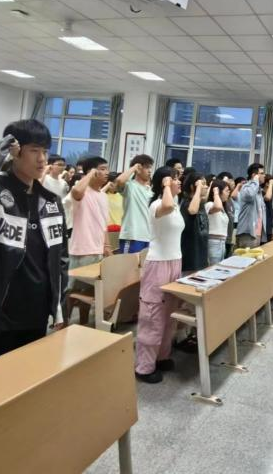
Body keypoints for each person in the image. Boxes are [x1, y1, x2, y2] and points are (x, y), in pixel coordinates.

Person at [0, 120, 68, 364]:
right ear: (16, 151)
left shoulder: (51, 202)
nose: (42, 159)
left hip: (38, 311)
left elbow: (60, 259)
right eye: (34, 150)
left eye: (45, 151)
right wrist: (3, 147)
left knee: (29, 377)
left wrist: (58, 306)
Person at [135, 166, 183, 384]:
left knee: (170, 313)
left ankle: (161, 356)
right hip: (158, 265)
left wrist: (169, 187)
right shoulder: (157, 204)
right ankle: (144, 367)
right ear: (165, 182)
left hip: (174, 262)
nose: (179, 182)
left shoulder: (176, 205)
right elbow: (167, 205)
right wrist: (165, 185)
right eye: (175, 179)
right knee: (153, 315)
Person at [68, 156, 111, 271]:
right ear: (91, 172)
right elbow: (76, 191)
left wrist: (107, 246)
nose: (107, 172)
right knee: (78, 283)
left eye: (107, 169)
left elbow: (103, 224)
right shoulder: (82, 191)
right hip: (83, 251)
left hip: (99, 250)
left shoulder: (103, 196)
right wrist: (91, 173)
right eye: (102, 169)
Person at [117, 154, 154, 254]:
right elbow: (119, 180)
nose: (150, 171)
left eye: (150, 168)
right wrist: (134, 168)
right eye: (147, 167)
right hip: (132, 236)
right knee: (129, 264)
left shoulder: (150, 191)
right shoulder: (130, 186)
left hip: (148, 237)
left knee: (144, 265)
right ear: (138, 169)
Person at [180, 171, 209, 273]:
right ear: (193, 187)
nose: (206, 187)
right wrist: (198, 189)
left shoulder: (201, 204)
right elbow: (192, 211)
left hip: (201, 256)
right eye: (203, 184)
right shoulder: (187, 203)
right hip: (190, 257)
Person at [236, 163, 267, 248]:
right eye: (262, 173)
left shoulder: (258, 190)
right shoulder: (246, 187)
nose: (264, 175)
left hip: (257, 233)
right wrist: (255, 181)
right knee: (246, 256)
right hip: (248, 232)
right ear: (254, 175)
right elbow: (250, 195)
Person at [205, 179, 229, 265]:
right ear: (219, 191)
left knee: (219, 268)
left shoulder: (223, 207)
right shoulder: (210, 204)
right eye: (226, 190)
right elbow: (217, 207)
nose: (228, 193)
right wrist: (215, 192)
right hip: (213, 242)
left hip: (222, 242)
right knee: (213, 268)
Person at [217, 172, 236, 257]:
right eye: (228, 180)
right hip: (220, 239)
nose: (231, 182)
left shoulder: (230, 199)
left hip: (229, 237)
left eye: (232, 180)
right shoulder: (219, 201)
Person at [262, 174, 273, 244]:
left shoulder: (269, 195)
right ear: (267, 183)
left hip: (269, 228)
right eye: (272, 183)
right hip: (263, 229)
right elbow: (267, 197)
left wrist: (271, 230)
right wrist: (270, 183)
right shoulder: (261, 193)